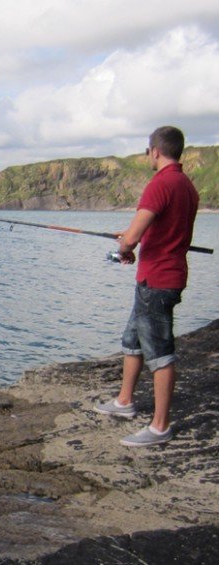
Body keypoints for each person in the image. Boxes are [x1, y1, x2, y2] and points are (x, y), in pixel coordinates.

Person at [94, 126, 199, 447]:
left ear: (155, 151)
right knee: (133, 340)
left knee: (160, 353)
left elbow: (135, 233)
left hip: (158, 280)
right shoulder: (187, 186)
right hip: (165, 274)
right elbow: (159, 231)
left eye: (147, 151)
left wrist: (126, 245)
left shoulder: (160, 184)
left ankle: (160, 426)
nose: (147, 156)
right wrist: (130, 244)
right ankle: (124, 401)